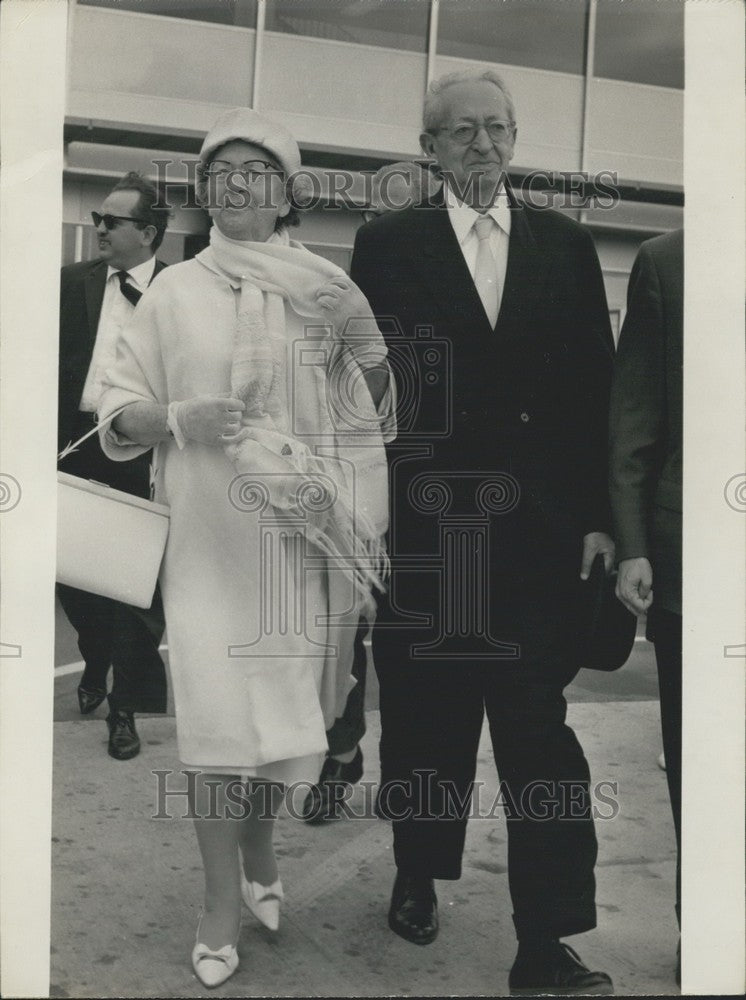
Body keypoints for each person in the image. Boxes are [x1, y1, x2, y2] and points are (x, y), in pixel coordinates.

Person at [98, 107, 393, 988]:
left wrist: (362, 524)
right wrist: (177, 417)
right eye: (219, 170)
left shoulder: (328, 289)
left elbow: (367, 412)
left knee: (285, 730)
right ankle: (218, 900)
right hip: (206, 546)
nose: (236, 184)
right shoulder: (173, 293)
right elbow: (116, 411)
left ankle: (264, 851)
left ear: (287, 193)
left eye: (255, 171)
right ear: (203, 190)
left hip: (299, 548)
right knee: (217, 726)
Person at [351, 69, 616, 995]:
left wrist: (599, 523)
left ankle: (546, 937)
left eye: (496, 129)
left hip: (540, 541)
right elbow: (361, 400)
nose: (482, 146)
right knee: (426, 724)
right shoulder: (385, 246)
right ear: (428, 148)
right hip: (428, 534)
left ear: (515, 138)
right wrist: (368, 517)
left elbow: (598, 396)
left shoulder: (568, 247)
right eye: (460, 132)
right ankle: (419, 871)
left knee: (540, 735)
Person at [302, 159, 441, 825]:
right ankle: (341, 755)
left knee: (412, 644)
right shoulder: (344, 308)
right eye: (379, 215)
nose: (386, 226)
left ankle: (402, 768)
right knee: (346, 631)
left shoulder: (449, 303)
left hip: (430, 496)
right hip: (360, 494)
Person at [57, 171, 169, 760]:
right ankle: (94, 653)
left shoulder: (180, 293)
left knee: (138, 588)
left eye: (112, 221)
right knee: (70, 576)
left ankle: (124, 711)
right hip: (74, 443)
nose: (98, 227)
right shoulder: (69, 283)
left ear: (147, 233)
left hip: (147, 450)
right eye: (98, 218)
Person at [609, 229, 683, 982]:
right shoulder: (669, 262)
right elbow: (636, 415)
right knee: (702, 758)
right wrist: (633, 541)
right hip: (698, 553)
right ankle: (712, 922)